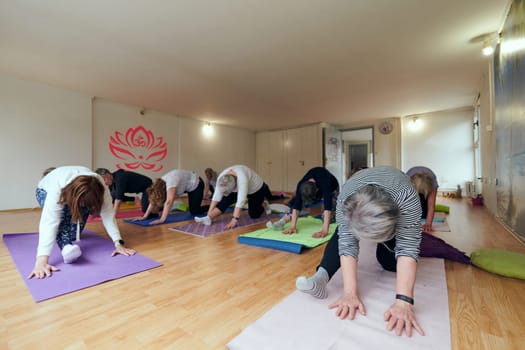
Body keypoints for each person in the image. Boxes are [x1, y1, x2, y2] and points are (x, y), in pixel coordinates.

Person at [296, 166, 424, 337]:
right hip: (360, 190)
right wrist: (349, 292)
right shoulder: (345, 200)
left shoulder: (407, 198)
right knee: (342, 234)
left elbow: (407, 248)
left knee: (389, 263)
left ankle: (386, 243)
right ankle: (321, 277)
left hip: (395, 195)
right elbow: (347, 244)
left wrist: (403, 301)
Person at [29, 166, 136, 279]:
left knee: (74, 233)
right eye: (81, 202)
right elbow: (50, 222)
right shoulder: (58, 187)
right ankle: (66, 247)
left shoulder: (102, 188)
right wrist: (41, 260)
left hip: (77, 191)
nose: (83, 206)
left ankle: (68, 241)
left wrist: (118, 243)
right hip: (44, 190)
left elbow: (108, 215)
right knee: (62, 217)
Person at [266, 167, 339, 238]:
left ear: (317, 190)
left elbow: (328, 207)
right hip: (314, 189)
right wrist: (292, 227)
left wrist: (324, 231)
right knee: (297, 201)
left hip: (333, 188)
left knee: (329, 220)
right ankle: (284, 220)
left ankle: (335, 213)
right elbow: (296, 207)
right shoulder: (301, 185)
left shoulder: (325, 185)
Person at [195, 164, 273, 230]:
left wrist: (234, 219)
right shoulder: (222, 178)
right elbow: (216, 197)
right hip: (236, 186)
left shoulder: (242, 179)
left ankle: (264, 204)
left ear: (235, 184)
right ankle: (208, 219)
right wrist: (209, 214)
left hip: (256, 189)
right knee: (225, 201)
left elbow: (240, 201)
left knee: (254, 215)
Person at [140, 169, 209, 225]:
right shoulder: (159, 185)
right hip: (185, 185)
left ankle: (213, 207)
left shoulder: (171, 182)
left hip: (196, 184)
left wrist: (162, 219)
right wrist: (145, 216)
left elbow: (169, 201)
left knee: (195, 211)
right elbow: (153, 200)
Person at [406, 166, 438, 232]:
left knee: (423, 215)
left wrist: (428, 223)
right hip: (412, 184)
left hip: (427, 186)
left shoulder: (432, 182)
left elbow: (431, 205)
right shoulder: (406, 180)